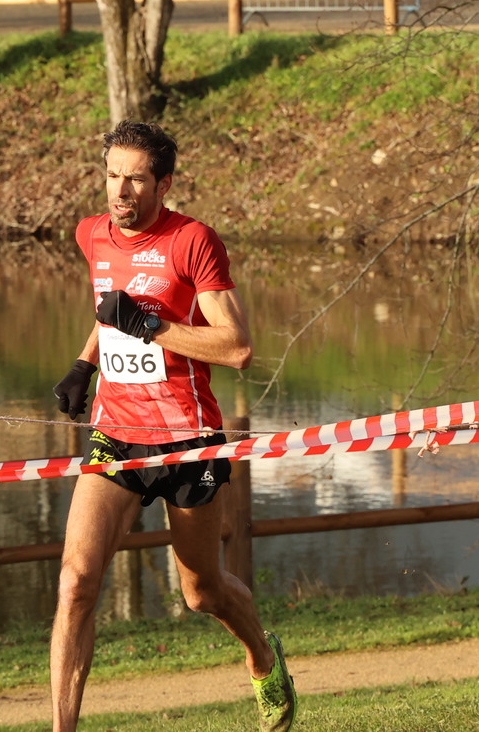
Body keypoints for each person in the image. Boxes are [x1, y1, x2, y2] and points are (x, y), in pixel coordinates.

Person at [50, 120, 297, 732]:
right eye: (112, 175)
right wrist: (84, 365)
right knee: (76, 583)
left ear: (164, 183)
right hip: (116, 432)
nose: (121, 191)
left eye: (136, 179)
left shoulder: (192, 241)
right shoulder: (91, 235)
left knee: (201, 592)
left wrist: (151, 327)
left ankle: (263, 658)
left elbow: (237, 347)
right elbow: (110, 311)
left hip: (188, 437)